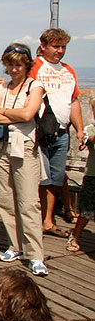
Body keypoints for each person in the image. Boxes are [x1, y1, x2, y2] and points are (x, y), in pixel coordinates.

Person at [0, 43, 48, 276]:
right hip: (1, 147)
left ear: (27, 65)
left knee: (29, 201)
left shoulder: (35, 86)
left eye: (18, 65)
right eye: (10, 65)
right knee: (4, 198)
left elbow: (27, 114)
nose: (14, 69)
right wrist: (9, 114)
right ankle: (16, 245)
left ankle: (35, 254)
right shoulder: (2, 90)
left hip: (25, 146)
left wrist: (3, 112)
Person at [29, 28, 85, 237]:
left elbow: (74, 101)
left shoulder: (68, 70)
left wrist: (79, 130)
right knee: (41, 178)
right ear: (43, 46)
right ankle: (39, 219)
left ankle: (48, 220)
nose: (60, 51)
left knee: (55, 177)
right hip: (40, 131)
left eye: (63, 47)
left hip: (62, 131)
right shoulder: (35, 67)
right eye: (56, 46)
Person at [66, 105, 95, 252]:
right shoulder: (90, 129)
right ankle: (76, 234)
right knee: (86, 211)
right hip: (93, 175)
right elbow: (91, 139)